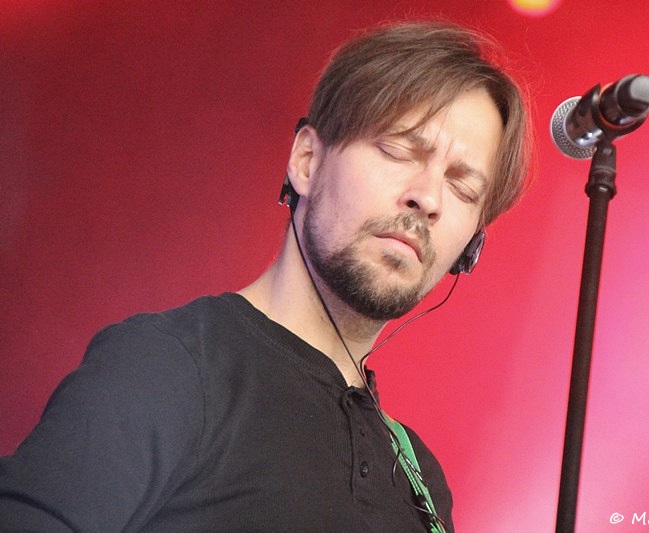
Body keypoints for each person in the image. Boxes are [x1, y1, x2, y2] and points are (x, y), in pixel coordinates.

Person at [0, 20, 531, 532]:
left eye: (463, 188)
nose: (429, 197)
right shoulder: (168, 366)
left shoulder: (422, 482)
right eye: (398, 149)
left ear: (470, 248)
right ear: (307, 160)